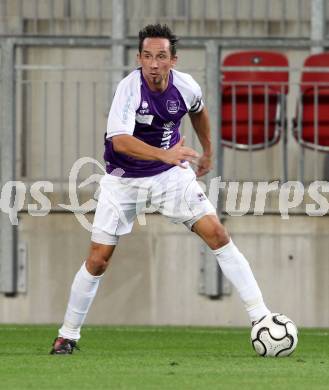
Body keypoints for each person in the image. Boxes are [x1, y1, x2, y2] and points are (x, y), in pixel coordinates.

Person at [50, 24, 270, 354]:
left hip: (170, 176)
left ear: (173, 60)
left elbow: (199, 112)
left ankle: (262, 318)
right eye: (148, 56)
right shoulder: (129, 89)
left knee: (218, 235)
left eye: (161, 57)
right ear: (139, 58)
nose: (154, 64)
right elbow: (120, 141)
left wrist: (208, 150)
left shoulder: (185, 87)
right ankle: (67, 335)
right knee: (98, 260)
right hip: (123, 180)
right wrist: (165, 153)